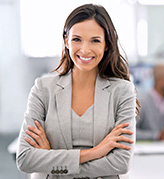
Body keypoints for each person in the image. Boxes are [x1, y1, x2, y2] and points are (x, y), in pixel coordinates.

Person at [16, 4, 139, 179]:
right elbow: (25, 158)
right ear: (66, 41)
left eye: (95, 40)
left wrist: (53, 160)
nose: (85, 49)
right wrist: (95, 152)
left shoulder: (123, 91)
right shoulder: (43, 88)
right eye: (77, 39)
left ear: (106, 44)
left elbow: (121, 162)